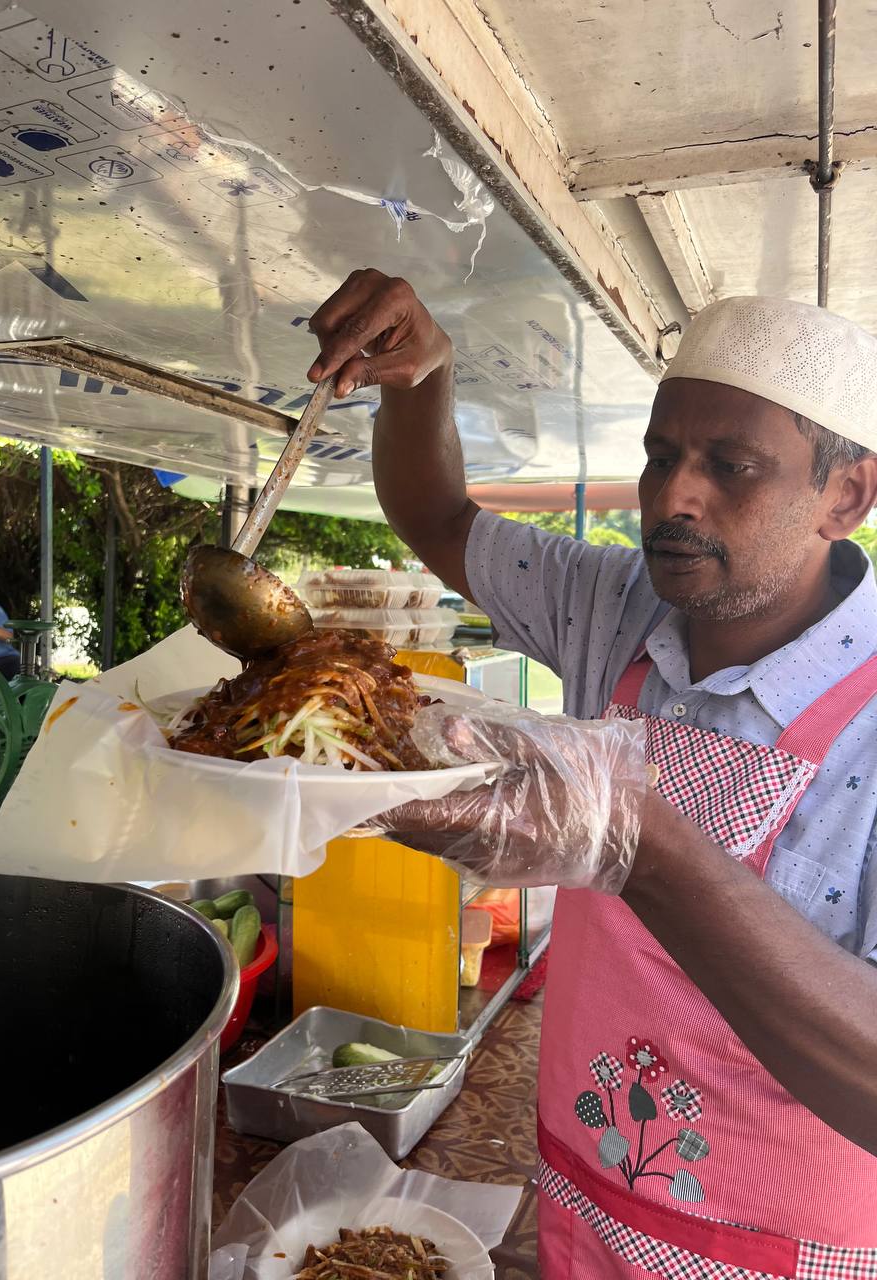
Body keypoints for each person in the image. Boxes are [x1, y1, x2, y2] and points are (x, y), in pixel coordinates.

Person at [307, 270, 877, 1275]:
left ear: (846, 494)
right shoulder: (619, 601)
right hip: (584, 1187)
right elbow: (436, 515)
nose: (672, 497)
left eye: (731, 467)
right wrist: (422, 378)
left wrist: (640, 843)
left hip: (779, 1248)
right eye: (661, 455)